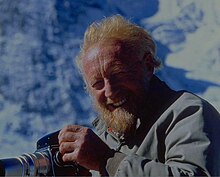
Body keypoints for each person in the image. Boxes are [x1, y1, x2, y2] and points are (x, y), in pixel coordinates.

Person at [58, 15, 220, 176]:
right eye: (98, 83)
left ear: (148, 66)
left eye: (118, 73)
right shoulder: (102, 142)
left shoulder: (188, 113)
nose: (110, 91)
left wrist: (107, 161)